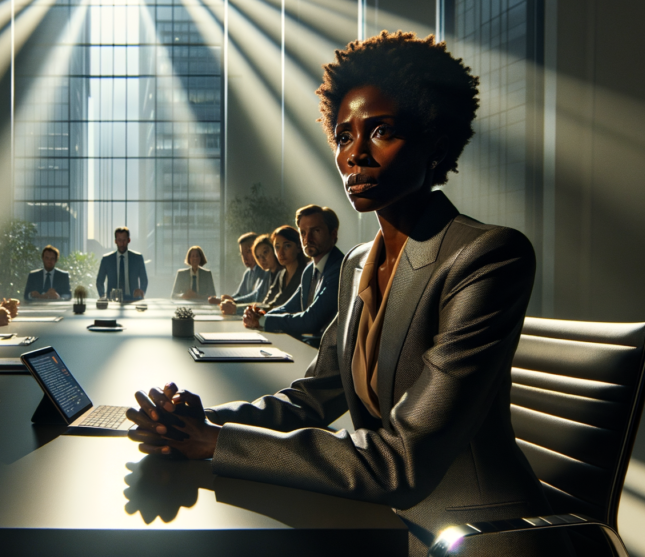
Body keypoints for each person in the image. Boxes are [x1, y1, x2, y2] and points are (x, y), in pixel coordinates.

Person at [126, 31, 555, 556]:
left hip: (469, 533)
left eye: (381, 132)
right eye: (343, 136)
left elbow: (404, 461)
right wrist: (205, 420)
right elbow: (313, 396)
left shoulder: (487, 256)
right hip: (374, 514)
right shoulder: (357, 264)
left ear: (436, 144)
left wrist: (216, 443)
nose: (356, 155)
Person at [242, 205, 343, 344]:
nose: (308, 238)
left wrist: (263, 320)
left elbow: (311, 320)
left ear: (333, 234)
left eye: (316, 231)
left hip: (328, 354)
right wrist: (260, 317)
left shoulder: (340, 269)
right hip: (305, 345)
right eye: (303, 232)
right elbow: (288, 307)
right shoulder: (309, 270)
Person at [219, 235, 280, 315]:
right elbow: (255, 296)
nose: (262, 259)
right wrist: (233, 301)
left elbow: (263, 304)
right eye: (258, 256)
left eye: (248, 252)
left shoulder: (270, 273)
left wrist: (236, 308)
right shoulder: (265, 272)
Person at [207, 232, 267, 305]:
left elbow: (255, 297)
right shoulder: (248, 273)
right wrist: (222, 299)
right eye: (242, 254)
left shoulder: (264, 271)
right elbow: (239, 294)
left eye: (248, 252)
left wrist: (230, 301)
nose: (245, 257)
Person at [257, 225, 307, 311]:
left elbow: (288, 305)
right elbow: (268, 301)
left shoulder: (306, 273)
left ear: (299, 247)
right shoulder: (281, 274)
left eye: (287, 246)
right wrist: (256, 311)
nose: (280, 252)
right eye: (277, 247)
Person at [96, 227, 147, 300]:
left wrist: (141, 293)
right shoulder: (107, 259)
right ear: (115, 241)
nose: (122, 244)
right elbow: (99, 281)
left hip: (133, 300)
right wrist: (103, 296)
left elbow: (144, 280)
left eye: (124, 240)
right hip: (112, 300)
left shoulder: (137, 258)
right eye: (119, 240)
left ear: (128, 240)